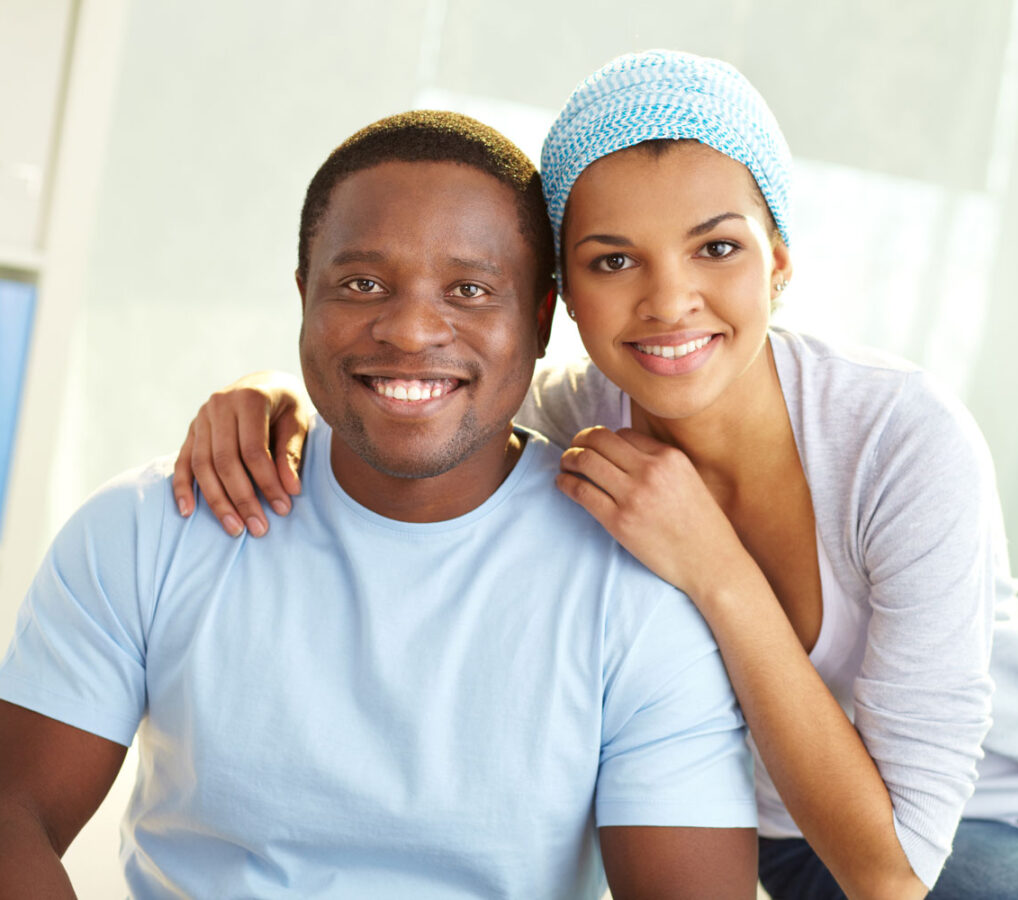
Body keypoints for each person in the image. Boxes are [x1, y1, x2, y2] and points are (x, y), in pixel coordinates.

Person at [171, 51, 1018, 900]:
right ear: (560, 294)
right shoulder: (573, 416)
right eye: (614, 260)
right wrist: (273, 395)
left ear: (781, 259)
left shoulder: (902, 435)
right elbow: (419, 396)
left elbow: (893, 869)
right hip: (816, 846)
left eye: (716, 248)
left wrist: (716, 568)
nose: (671, 302)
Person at [0, 110, 763, 900]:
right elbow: (11, 812)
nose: (408, 330)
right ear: (304, 296)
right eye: (362, 284)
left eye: (469, 289)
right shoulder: (148, 528)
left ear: (539, 320)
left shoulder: (634, 586)